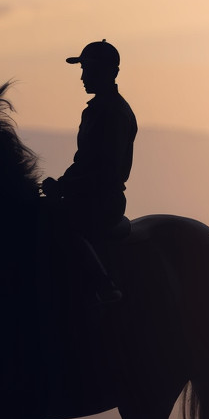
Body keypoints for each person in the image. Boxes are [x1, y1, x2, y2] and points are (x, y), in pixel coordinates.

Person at [41, 39, 137, 303]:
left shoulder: (113, 112)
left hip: (102, 200)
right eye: (83, 69)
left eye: (89, 69)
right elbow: (85, 162)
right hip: (87, 194)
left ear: (110, 72)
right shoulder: (98, 109)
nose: (83, 76)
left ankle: (104, 285)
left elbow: (103, 168)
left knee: (61, 223)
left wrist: (62, 186)